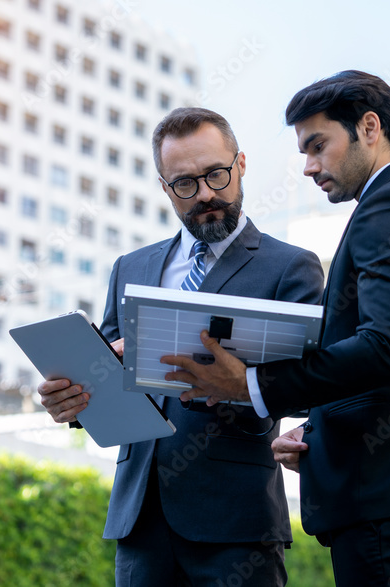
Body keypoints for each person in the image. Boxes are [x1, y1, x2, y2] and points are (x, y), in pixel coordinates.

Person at [162, 72, 390, 586]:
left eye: (318, 146)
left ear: (368, 127)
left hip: (387, 493)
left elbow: (384, 349)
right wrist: (318, 432)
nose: (308, 167)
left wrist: (249, 385)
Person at [38, 107, 324, 586]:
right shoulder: (131, 267)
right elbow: (107, 372)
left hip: (236, 521)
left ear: (242, 164)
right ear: (164, 188)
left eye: (216, 174)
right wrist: (72, 399)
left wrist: (239, 381)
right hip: (140, 517)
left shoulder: (290, 267)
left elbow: (311, 384)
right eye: (185, 184)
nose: (207, 193)